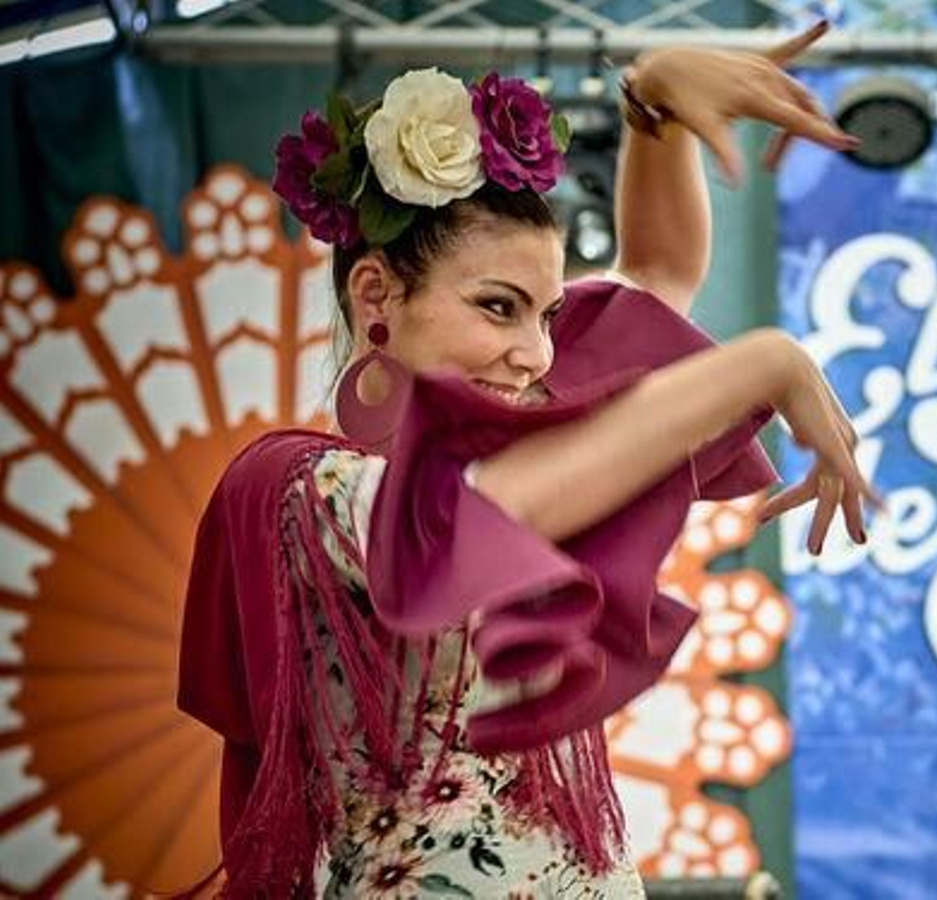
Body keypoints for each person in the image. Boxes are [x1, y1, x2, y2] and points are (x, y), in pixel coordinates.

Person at [176, 23, 875, 898]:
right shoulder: (304, 492)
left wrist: (654, 99)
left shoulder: (524, 445)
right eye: (498, 308)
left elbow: (651, 282)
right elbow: (475, 513)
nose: (539, 353)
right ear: (377, 295)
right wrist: (766, 360)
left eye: (545, 315)